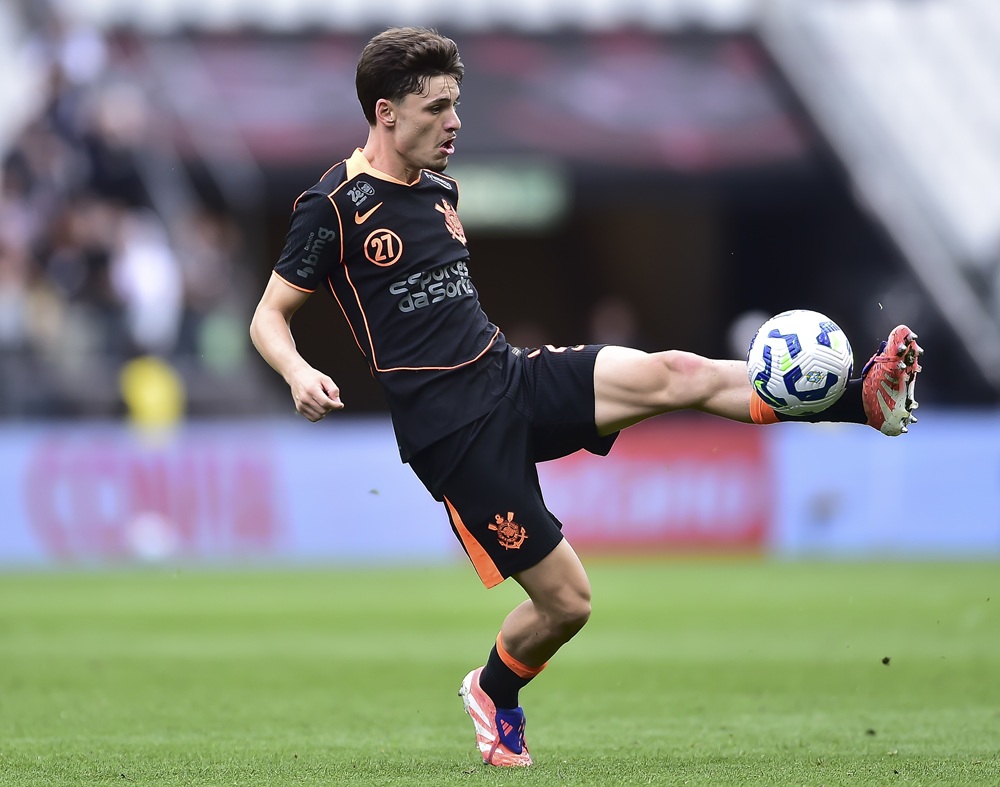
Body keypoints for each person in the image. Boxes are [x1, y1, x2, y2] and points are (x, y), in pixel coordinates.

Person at [249, 27, 923, 767]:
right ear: (385, 113)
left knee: (677, 372)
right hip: (454, 436)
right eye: (438, 108)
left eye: (457, 104)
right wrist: (296, 371)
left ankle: (865, 397)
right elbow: (268, 317)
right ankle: (493, 691)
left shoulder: (442, 188)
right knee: (569, 603)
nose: (456, 123)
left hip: (510, 376)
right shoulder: (334, 206)